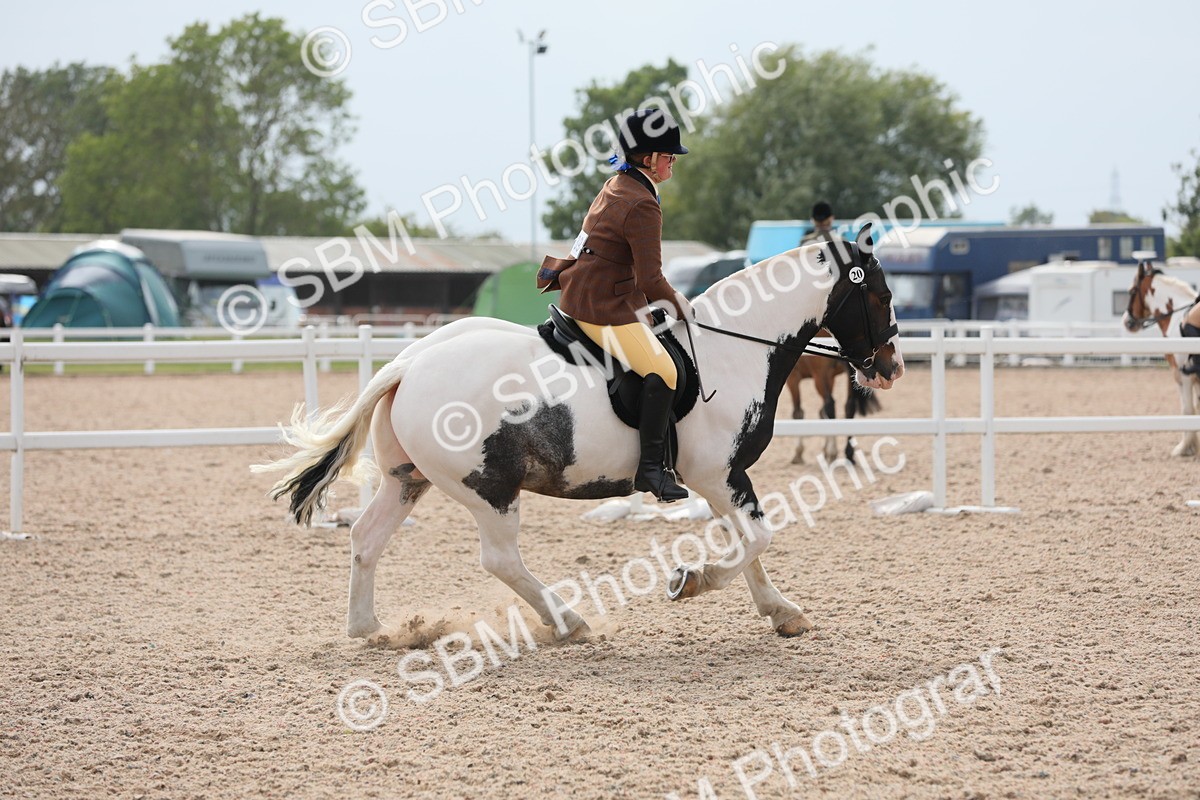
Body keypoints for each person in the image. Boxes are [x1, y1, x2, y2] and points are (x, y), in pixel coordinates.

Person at [543, 108, 691, 502]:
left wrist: (651, 304)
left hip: (582, 291)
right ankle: (651, 471)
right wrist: (680, 307)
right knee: (665, 370)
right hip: (602, 306)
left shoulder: (617, 184)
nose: (673, 160)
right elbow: (651, 279)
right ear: (648, 160)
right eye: (668, 155)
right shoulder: (642, 203)